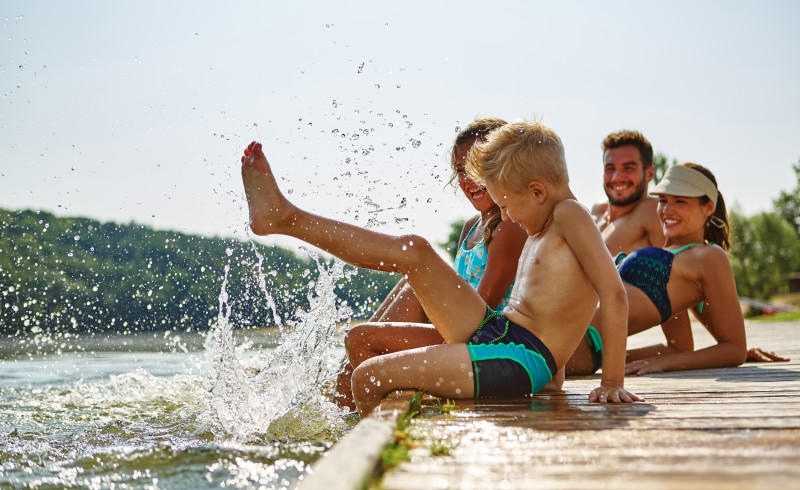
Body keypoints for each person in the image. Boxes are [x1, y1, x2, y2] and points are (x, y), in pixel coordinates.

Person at [240, 120, 643, 417]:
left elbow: (613, 293)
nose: (506, 215)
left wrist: (611, 383)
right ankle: (285, 218)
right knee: (415, 251)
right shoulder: (545, 221)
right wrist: (555, 377)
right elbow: (553, 303)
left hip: (519, 357)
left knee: (367, 377)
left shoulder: (571, 214)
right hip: (501, 332)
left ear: (537, 190)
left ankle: (366, 472)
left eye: (507, 204)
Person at [333, 118, 528, 411]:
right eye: (461, 171)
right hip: (462, 333)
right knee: (409, 286)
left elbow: (481, 315)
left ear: (504, 166)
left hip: (487, 344)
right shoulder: (470, 228)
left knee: (361, 337)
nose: (468, 179)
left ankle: (355, 425)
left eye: (479, 167)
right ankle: (337, 412)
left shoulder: (509, 228)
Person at [566, 163, 749, 376]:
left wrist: (664, 364)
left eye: (680, 201)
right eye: (663, 200)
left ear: (708, 207)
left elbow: (735, 349)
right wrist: (621, 359)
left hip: (577, 343)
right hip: (570, 335)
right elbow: (678, 346)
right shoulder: (671, 258)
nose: (667, 210)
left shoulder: (709, 256)